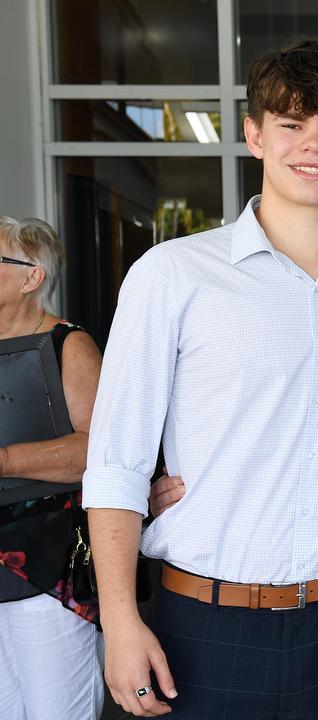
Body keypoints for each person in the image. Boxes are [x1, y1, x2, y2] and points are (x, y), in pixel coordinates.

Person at [83, 39, 318, 718]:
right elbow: (116, 458)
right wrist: (119, 620)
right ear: (254, 135)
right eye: (292, 125)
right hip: (207, 625)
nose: (312, 145)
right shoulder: (172, 275)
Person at [0, 217, 104, 720]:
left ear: (30, 276)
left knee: (54, 710)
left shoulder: (69, 345)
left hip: (47, 563)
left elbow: (100, 452)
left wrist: (3, 460)